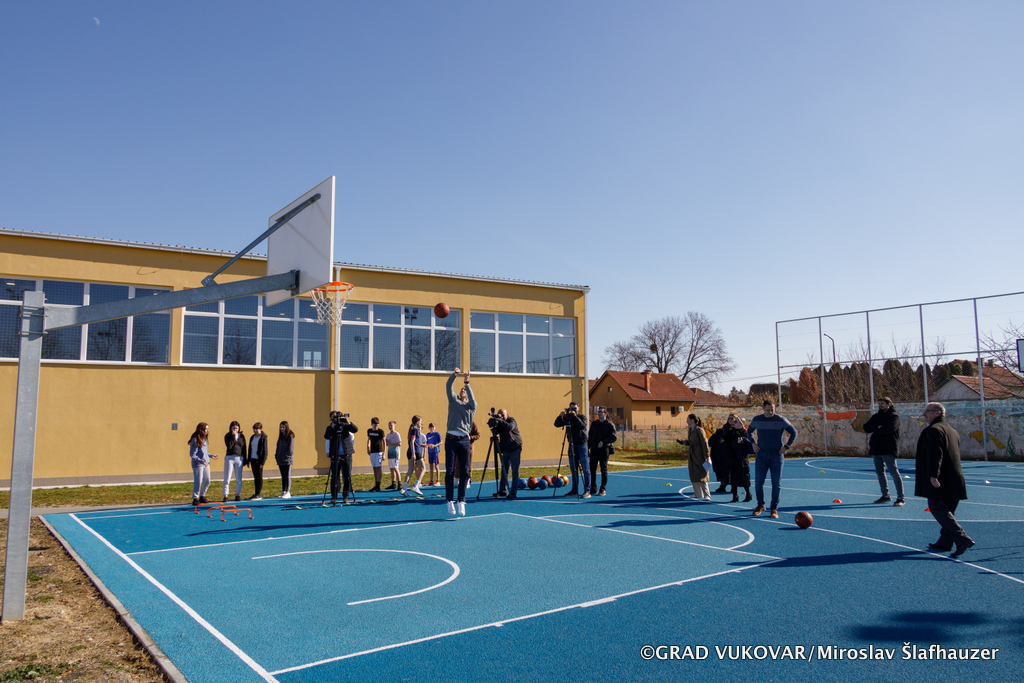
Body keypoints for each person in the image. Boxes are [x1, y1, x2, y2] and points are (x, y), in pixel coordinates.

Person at [916, 402, 973, 558]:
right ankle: (945, 541)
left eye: (927, 411)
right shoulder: (951, 430)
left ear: (937, 413)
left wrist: (933, 475)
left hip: (943, 478)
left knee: (937, 507)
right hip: (955, 477)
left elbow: (935, 454)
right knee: (949, 510)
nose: (924, 414)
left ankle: (962, 539)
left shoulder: (934, 430)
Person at [746, 400, 797, 518]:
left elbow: (794, 432)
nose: (770, 412)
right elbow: (749, 431)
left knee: (776, 484)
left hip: (776, 455)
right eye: (768, 410)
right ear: (763, 409)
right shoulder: (757, 419)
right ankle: (760, 505)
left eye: (772, 410)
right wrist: (753, 443)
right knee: (758, 482)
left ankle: (774, 508)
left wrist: (786, 446)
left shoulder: (781, 420)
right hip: (761, 455)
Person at [444, 367, 477, 517]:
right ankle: (449, 500)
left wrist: (467, 382)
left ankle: (461, 501)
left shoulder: (471, 407)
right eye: (462, 389)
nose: (463, 390)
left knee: (464, 472)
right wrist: (455, 375)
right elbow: (448, 386)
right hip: (451, 439)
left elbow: (473, 398)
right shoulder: (453, 400)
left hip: (464, 441)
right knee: (450, 471)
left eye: (465, 390)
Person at [863, 396, 905, 506]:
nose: (880, 405)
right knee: (880, 473)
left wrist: (876, 429)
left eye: (882, 403)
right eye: (879, 403)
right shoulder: (876, 417)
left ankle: (900, 497)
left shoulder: (894, 417)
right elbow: (866, 427)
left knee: (894, 473)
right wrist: (878, 427)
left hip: (889, 448)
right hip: (876, 448)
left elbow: (889, 429)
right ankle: (885, 495)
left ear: (888, 405)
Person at [554, 401, 590, 498]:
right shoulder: (568, 417)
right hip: (572, 445)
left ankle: (587, 490)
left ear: (578, 408)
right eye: (571, 408)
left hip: (582, 445)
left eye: (575, 408)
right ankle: (574, 490)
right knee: (573, 469)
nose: (573, 410)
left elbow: (582, 426)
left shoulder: (582, 417)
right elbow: (557, 424)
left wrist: (575, 416)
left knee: (585, 469)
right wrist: (560, 416)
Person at [325, 411, 359, 505]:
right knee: (334, 477)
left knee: (347, 476)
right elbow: (326, 436)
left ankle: (346, 496)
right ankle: (334, 497)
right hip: (335, 455)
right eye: (334, 417)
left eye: (337, 417)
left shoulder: (345, 426)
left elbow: (355, 429)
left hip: (346, 454)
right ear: (331, 419)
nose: (337, 419)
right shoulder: (331, 427)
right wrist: (332, 426)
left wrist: (348, 423)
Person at [489, 408, 523, 499]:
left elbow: (509, 427)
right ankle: (503, 491)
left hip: (515, 448)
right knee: (504, 470)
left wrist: (500, 420)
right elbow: (496, 431)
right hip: (506, 449)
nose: (501, 417)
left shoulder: (512, 420)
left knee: (515, 471)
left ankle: (513, 493)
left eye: (503, 415)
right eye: (499, 415)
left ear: (507, 414)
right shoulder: (500, 423)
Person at [677, 414, 711, 500]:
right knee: (693, 472)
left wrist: (706, 455)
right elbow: (691, 442)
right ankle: (698, 493)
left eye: (688, 419)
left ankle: (707, 494)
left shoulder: (699, 430)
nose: (686, 421)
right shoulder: (690, 430)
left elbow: (704, 442)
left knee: (702, 473)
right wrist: (683, 442)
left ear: (692, 420)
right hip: (692, 454)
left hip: (699, 454)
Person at [722, 414, 752, 503]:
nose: (733, 423)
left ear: (741, 423)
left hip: (742, 458)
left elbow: (749, 445)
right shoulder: (730, 432)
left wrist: (742, 442)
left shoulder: (745, 432)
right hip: (733, 457)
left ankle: (748, 494)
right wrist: (736, 442)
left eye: (736, 421)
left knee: (745, 476)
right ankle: (735, 495)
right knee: (733, 476)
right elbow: (727, 442)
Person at [588, 407, 617, 496]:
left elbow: (613, 437)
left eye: (601, 412)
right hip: (594, 450)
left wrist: (604, 441)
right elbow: (590, 436)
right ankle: (593, 488)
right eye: (598, 412)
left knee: (603, 469)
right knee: (592, 469)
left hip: (604, 450)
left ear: (605, 414)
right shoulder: (594, 424)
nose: (599, 413)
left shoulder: (610, 425)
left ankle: (603, 488)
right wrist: (588, 449)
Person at [188, 422, 218, 505]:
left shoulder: (204, 439)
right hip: (198, 464)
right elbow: (192, 454)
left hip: (206, 463)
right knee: (198, 481)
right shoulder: (195, 439)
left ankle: (202, 496)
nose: (207, 431)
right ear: (201, 430)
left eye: (208, 429)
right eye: (206, 429)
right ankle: (195, 498)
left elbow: (204, 452)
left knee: (207, 480)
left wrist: (211, 455)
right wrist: (200, 460)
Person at [222, 421, 247, 502]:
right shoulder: (228, 435)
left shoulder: (241, 436)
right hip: (229, 457)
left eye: (236, 428)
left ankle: (237, 494)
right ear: (230, 428)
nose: (235, 430)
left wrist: (245, 459)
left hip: (239, 458)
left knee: (239, 478)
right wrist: (233, 436)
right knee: (227, 477)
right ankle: (225, 495)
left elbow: (244, 448)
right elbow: (229, 446)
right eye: (233, 428)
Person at [707, 421, 732, 494]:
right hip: (722, 455)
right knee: (725, 471)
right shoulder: (720, 433)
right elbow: (711, 442)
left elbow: (710, 442)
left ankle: (725, 485)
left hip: (723, 455)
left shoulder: (723, 432)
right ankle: (725, 485)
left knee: (727, 471)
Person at [404, 416, 425, 496]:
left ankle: (404, 488)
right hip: (415, 452)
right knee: (423, 468)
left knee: (410, 470)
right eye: (420, 422)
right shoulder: (415, 430)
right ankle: (416, 485)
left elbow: (415, 442)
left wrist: (422, 445)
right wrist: (413, 453)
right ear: (417, 422)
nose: (421, 423)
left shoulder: (412, 429)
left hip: (412, 451)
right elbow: (412, 442)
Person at [248, 422, 268, 500]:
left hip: (259, 460)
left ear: (261, 429)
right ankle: (256, 493)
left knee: (259, 477)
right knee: (255, 477)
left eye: (257, 429)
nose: (255, 430)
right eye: (254, 429)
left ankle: (258, 494)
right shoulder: (252, 437)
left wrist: (262, 462)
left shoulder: (263, 437)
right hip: (253, 459)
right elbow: (250, 448)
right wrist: (248, 459)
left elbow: (265, 451)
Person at [275, 421, 295, 499]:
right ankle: (283, 491)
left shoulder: (290, 437)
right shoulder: (280, 438)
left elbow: (291, 449)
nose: (282, 429)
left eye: (283, 427)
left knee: (287, 475)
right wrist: (277, 456)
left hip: (287, 460)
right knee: (283, 476)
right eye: (281, 427)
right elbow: (278, 447)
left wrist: (286, 456)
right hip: (280, 460)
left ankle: (288, 491)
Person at [365, 417, 386, 492]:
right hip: (372, 451)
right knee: (374, 468)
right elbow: (369, 439)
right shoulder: (369, 431)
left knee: (378, 468)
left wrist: (384, 453)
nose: (376, 426)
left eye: (377, 425)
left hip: (379, 451)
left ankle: (378, 485)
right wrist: (368, 448)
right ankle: (376, 484)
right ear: (372, 424)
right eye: (375, 425)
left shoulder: (381, 431)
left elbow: (384, 442)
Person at [384, 421, 403, 490]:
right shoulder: (388, 435)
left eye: (391, 425)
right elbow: (386, 443)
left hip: (395, 454)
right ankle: (393, 483)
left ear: (395, 426)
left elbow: (399, 443)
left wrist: (391, 444)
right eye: (389, 425)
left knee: (396, 468)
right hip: (390, 454)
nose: (390, 427)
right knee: (391, 469)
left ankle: (399, 483)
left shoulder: (397, 434)